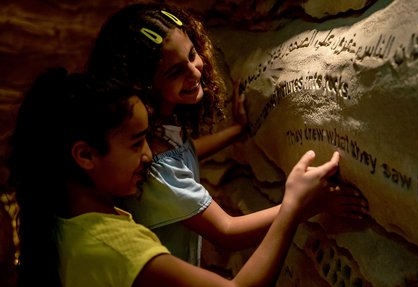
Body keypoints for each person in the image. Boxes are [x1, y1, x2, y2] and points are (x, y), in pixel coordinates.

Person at [7, 67, 367, 287]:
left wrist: (237, 131)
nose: (149, 155)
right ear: (85, 155)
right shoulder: (114, 247)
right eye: (136, 144)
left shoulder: (62, 221)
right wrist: (294, 205)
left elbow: (189, 151)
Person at [85, 2, 279, 265]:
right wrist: (301, 204)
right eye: (175, 71)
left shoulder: (160, 130)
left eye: (191, 55)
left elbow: (185, 153)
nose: (194, 71)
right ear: (142, 82)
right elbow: (228, 232)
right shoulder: (152, 161)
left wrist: (236, 132)